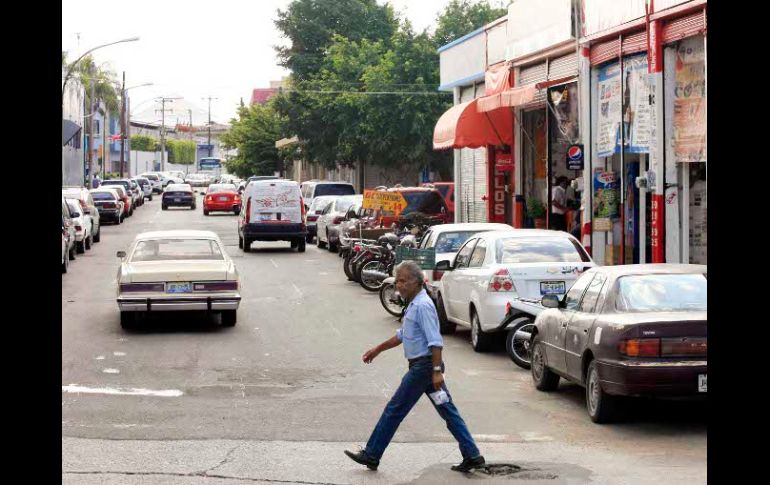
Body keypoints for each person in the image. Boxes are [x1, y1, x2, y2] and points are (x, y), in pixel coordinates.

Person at [344, 261, 485, 473]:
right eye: (398, 280)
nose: (399, 285)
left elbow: (435, 342)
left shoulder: (423, 306)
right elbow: (402, 335)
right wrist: (377, 349)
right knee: (448, 410)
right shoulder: (413, 304)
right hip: (425, 368)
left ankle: (372, 454)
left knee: (394, 409)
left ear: (417, 282)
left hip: (424, 368)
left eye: (404, 281)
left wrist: (436, 372)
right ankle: (472, 455)